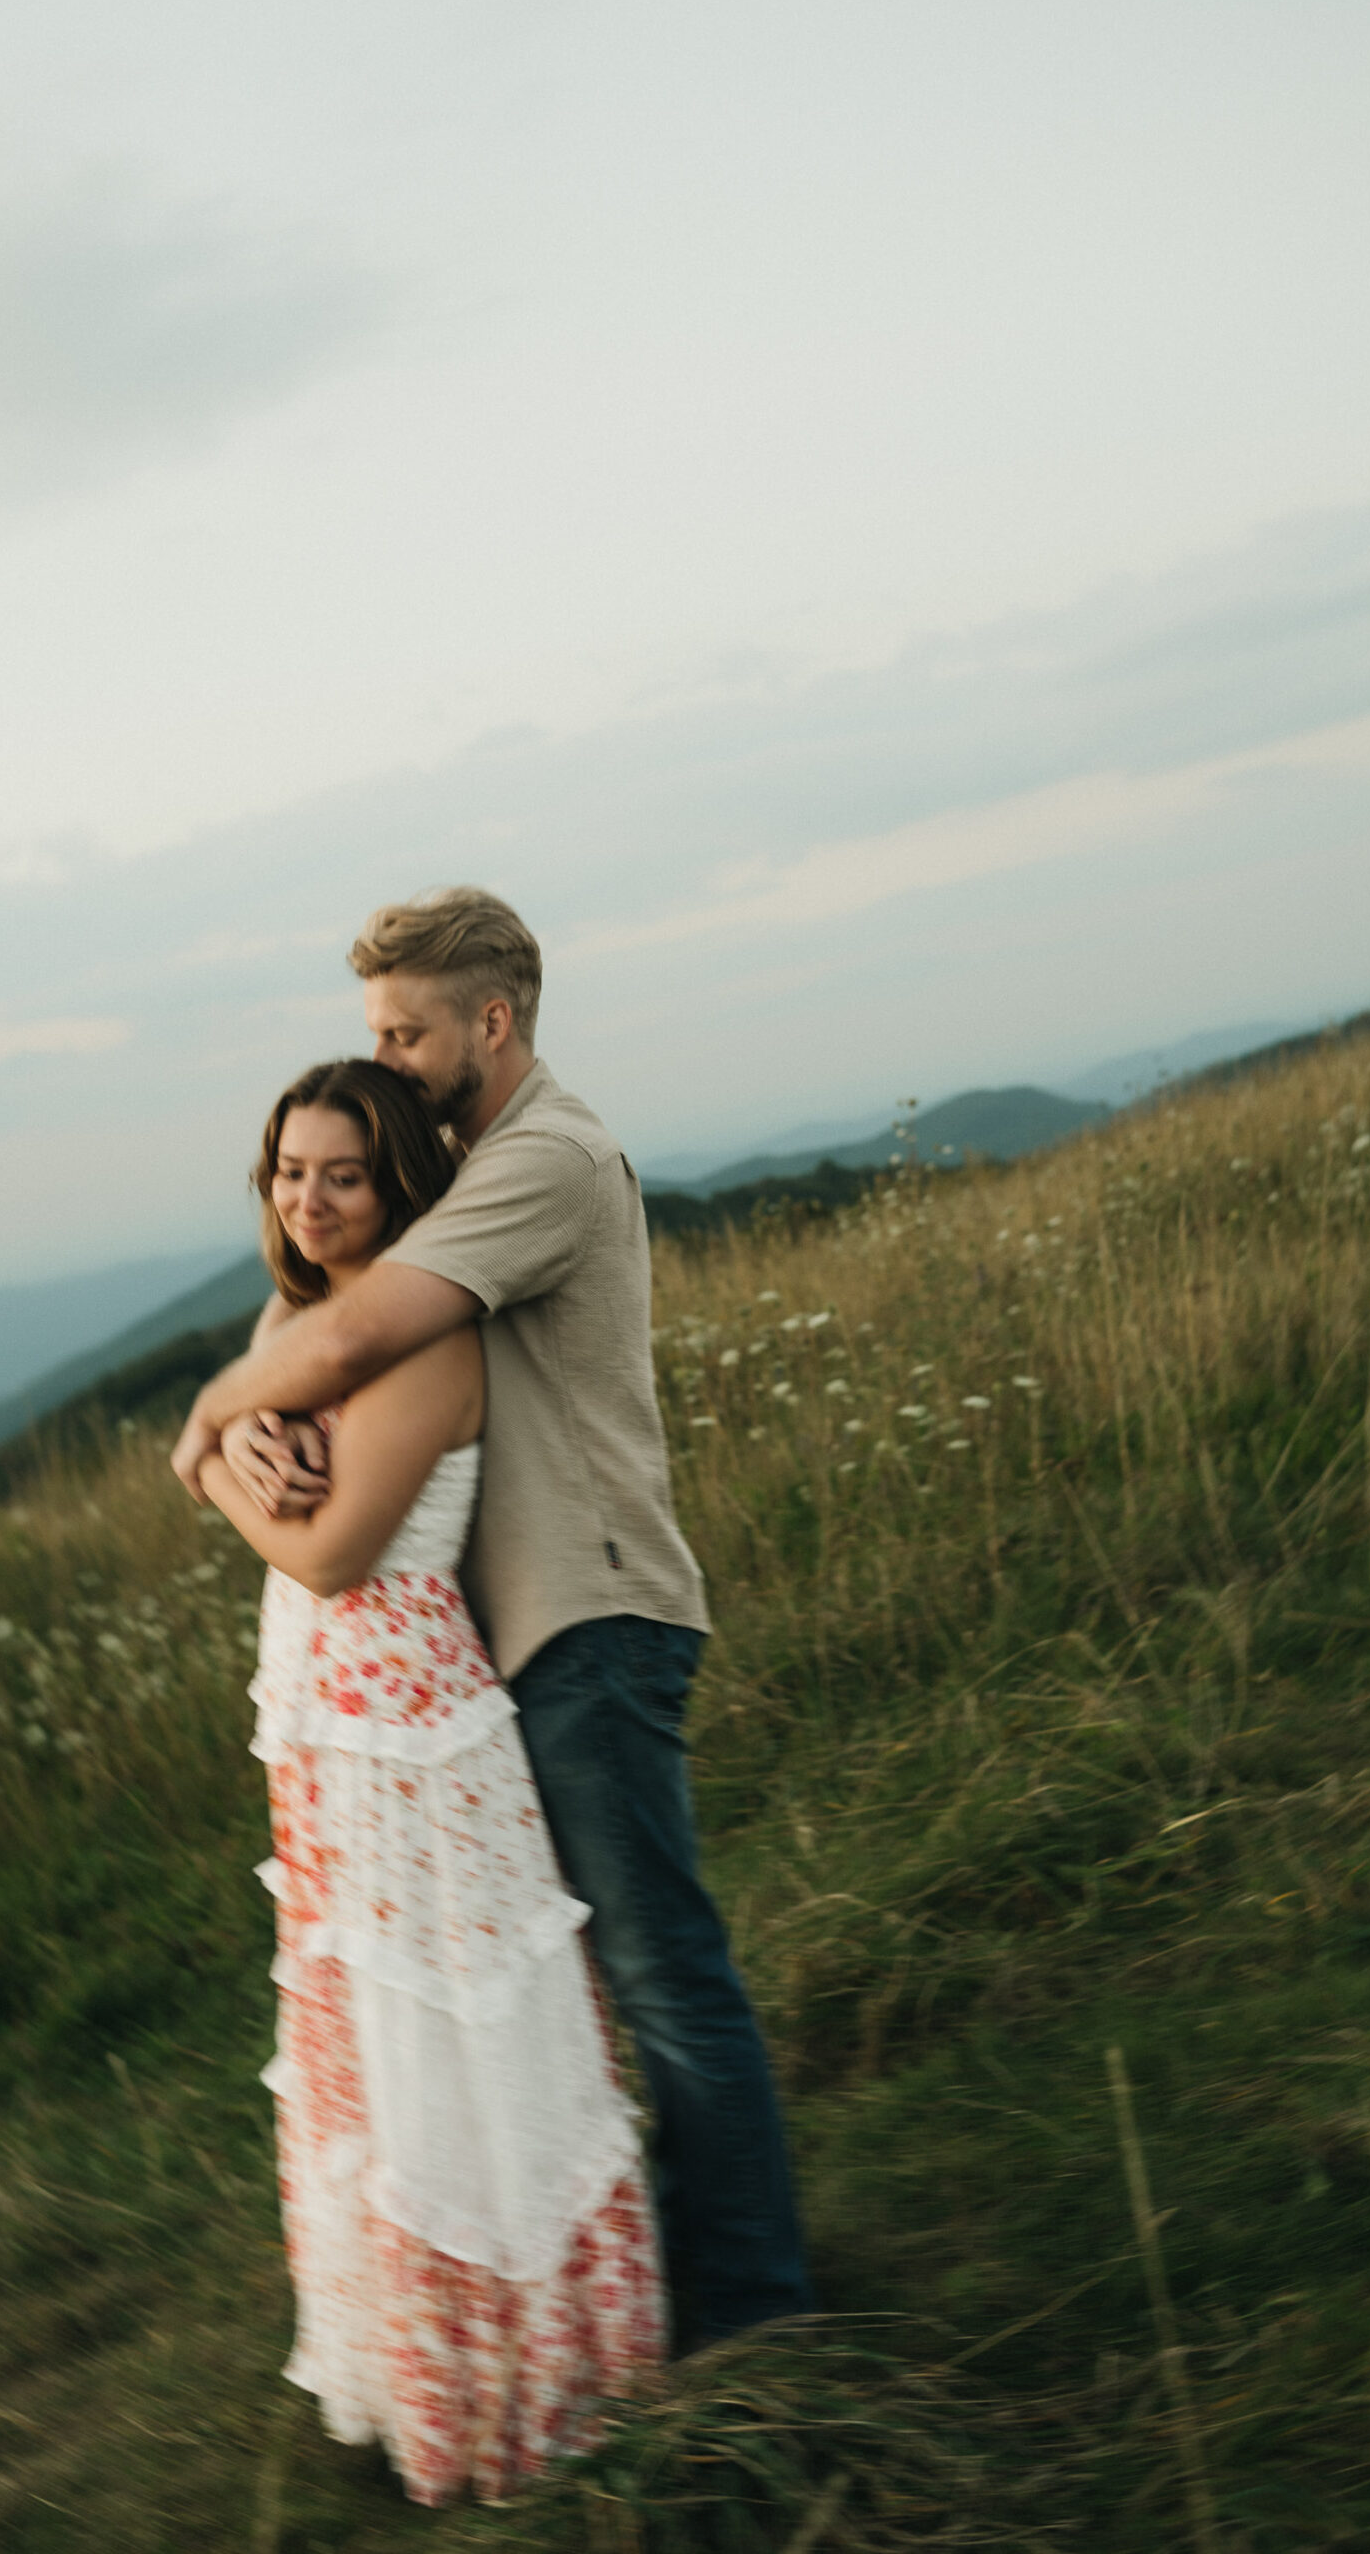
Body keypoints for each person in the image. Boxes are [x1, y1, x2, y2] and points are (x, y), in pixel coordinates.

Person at [173, 888, 813, 2352]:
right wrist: (268, 1420)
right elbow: (317, 1303)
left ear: (494, 1021)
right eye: (374, 1032)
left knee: (663, 1978)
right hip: (510, 1632)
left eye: (406, 1030)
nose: (387, 1057)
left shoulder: (547, 1158)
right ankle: (630, 2294)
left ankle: (761, 2323)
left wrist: (207, 1421)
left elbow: (358, 1331)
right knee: (586, 1987)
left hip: (584, 1611)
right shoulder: (455, 1160)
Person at [195, 1055, 664, 2506]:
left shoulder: (423, 1339)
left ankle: (530, 2369)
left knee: (451, 2031)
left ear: (400, 1180)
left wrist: (206, 1461)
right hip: (328, 1734)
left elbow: (333, 1555)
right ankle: (423, 2369)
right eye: (289, 1171)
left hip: (411, 1726)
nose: (311, 1198)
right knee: (375, 2044)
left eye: (342, 1171)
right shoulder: (299, 1322)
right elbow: (267, 1468)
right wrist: (227, 1438)